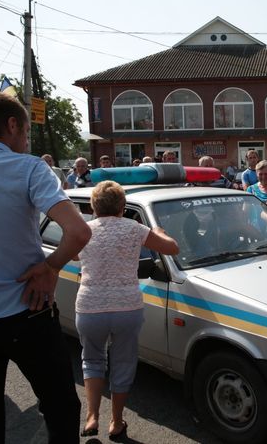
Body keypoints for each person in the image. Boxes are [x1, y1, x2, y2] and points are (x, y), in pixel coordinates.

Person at [0, 92, 92, 444]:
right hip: (28, 310)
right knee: (60, 408)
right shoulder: (30, 168)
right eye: (27, 131)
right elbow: (78, 231)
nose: (27, 139)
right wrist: (51, 267)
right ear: (12, 125)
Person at [76, 180, 178, 438]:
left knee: (92, 361)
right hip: (126, 307)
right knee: (123, 363)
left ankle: (91, 417)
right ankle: (117, 421)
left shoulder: (84, 230)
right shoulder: (135, 228)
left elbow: (72, 255)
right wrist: (160, 230)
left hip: (90, 306)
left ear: (93, 206)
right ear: (122, 206)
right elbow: (171, 248)